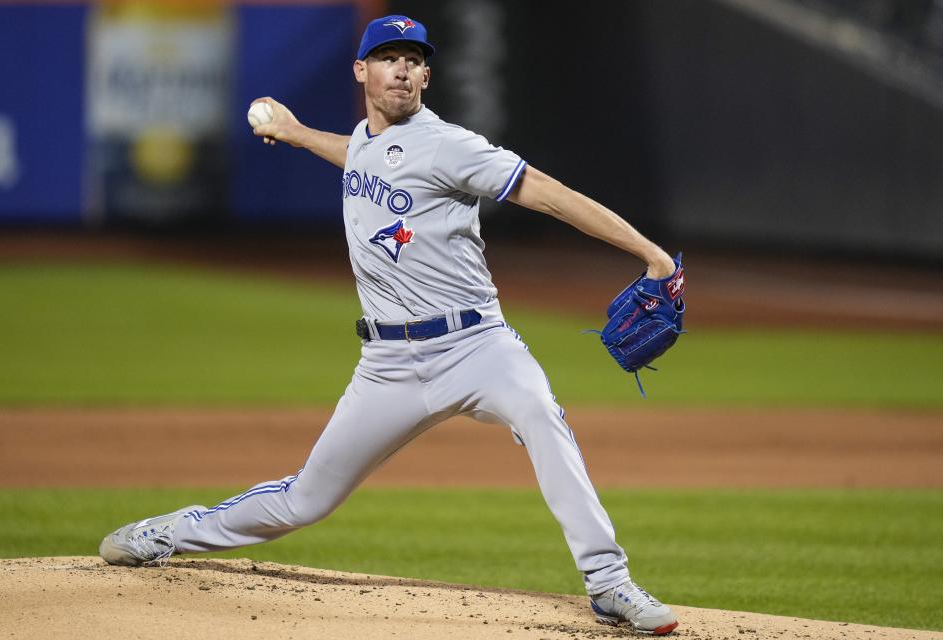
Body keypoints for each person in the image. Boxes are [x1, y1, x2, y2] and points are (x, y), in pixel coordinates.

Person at [99, 14, 680, 636]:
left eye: (412, 58)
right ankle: (170, 533)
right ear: (362, 71)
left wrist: (653, 255)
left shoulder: (451, 144)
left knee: (540, 413)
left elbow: (548, 192)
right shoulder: (366, 141)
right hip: (387, 367)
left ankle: (609, 583)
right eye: (387, 57)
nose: (400, 68)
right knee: (306, 500)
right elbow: (360, 157)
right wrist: (297, 133)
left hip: (476, 345)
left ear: (426, 74)